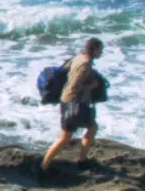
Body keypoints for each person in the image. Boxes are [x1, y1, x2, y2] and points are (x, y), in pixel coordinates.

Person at [39, 37, 104, 183]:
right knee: (66, 137)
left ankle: (81, 160)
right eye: (101, 49)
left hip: (67, 100)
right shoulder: (85, 63)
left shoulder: (79, 57)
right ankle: (44, 166)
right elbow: (75, 86)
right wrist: (91, 86)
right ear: (94, 50)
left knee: (91, 128)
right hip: (74, 103)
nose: (102, 52)